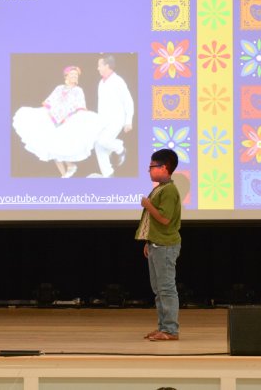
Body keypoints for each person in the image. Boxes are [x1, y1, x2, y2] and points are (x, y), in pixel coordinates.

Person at [12, 65, 102, 177]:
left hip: (69, 120)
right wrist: (48, 112)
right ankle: (65, 174)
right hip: (54, 119)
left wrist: (80, 116)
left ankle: (70, 166)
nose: (74, 76)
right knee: (51, 145)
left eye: (76, 75)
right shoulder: (59, 88)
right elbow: (51, 101)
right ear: (66, 76)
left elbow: (80, 105)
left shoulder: (78, 90)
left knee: (61, 145)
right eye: (72, 74)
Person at [135, 148, 182, 341]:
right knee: (159, 290)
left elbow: (164, 219)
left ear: (164, 167)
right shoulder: (160, 188)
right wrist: (149, 240)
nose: (150, 171)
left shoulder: (169, 190)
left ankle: (170, 329)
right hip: (156, 244)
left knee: (166, 289)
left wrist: (148, 205)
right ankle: (163, 327)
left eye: (152, 167)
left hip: (165, 246)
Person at [93, 54, 134, 177]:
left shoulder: (118, 81)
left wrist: (128, 121)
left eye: (99, 65)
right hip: (104, 121)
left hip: (116, 119)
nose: (98, 68)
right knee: (98, 144)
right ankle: (108, 174)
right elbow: (101, 105)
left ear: (107, 66)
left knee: (103, 140)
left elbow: (128, 101)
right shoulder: (101, 82)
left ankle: (120, 148)